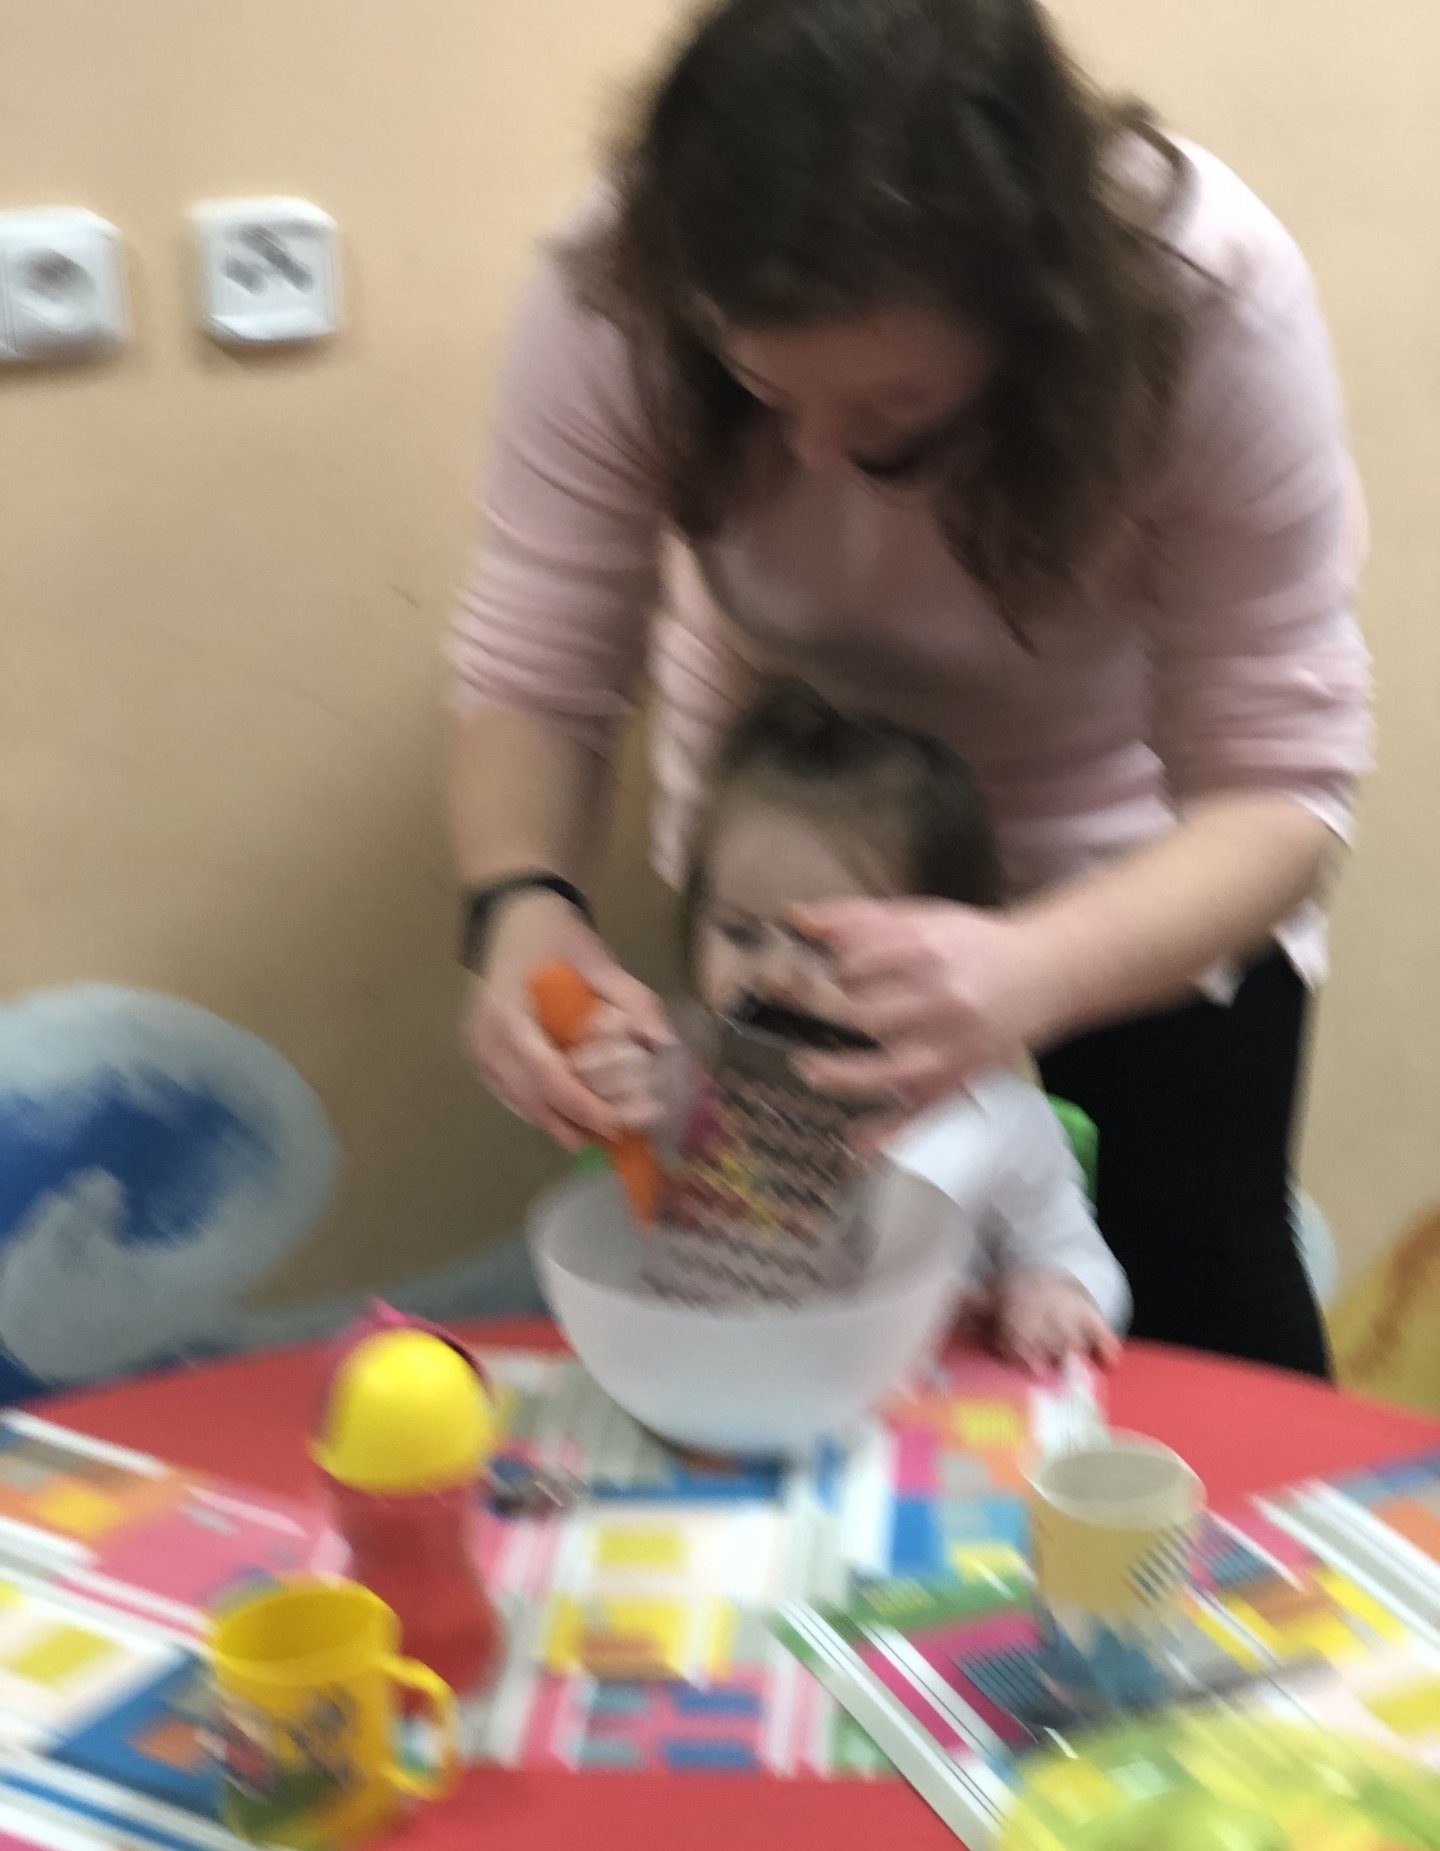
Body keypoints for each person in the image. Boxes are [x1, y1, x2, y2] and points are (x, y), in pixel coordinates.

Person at [448, 0, 1369, 1379]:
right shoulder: (621, 281)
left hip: (1138, 872)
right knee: (792, 1298)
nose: (818, 454)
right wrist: (521, 909)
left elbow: (1281, 788)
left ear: (1038, 317)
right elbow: (540, 666)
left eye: (893, 408)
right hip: (797, 849)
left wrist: (1043, 966)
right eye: (763, 392)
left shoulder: (1207, 298)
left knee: (1199, 1306)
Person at [563, 681, 1128, 1370]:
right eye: (741, 933)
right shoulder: (686, 1075)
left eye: (824, 947)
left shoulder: (995, 1124)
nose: (775, 975)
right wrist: (619, 1083)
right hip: (716, 1384)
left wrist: (1054, 1290)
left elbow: (1077, 1256)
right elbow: (621, 1171)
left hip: (916, 1409)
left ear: (944, 952)